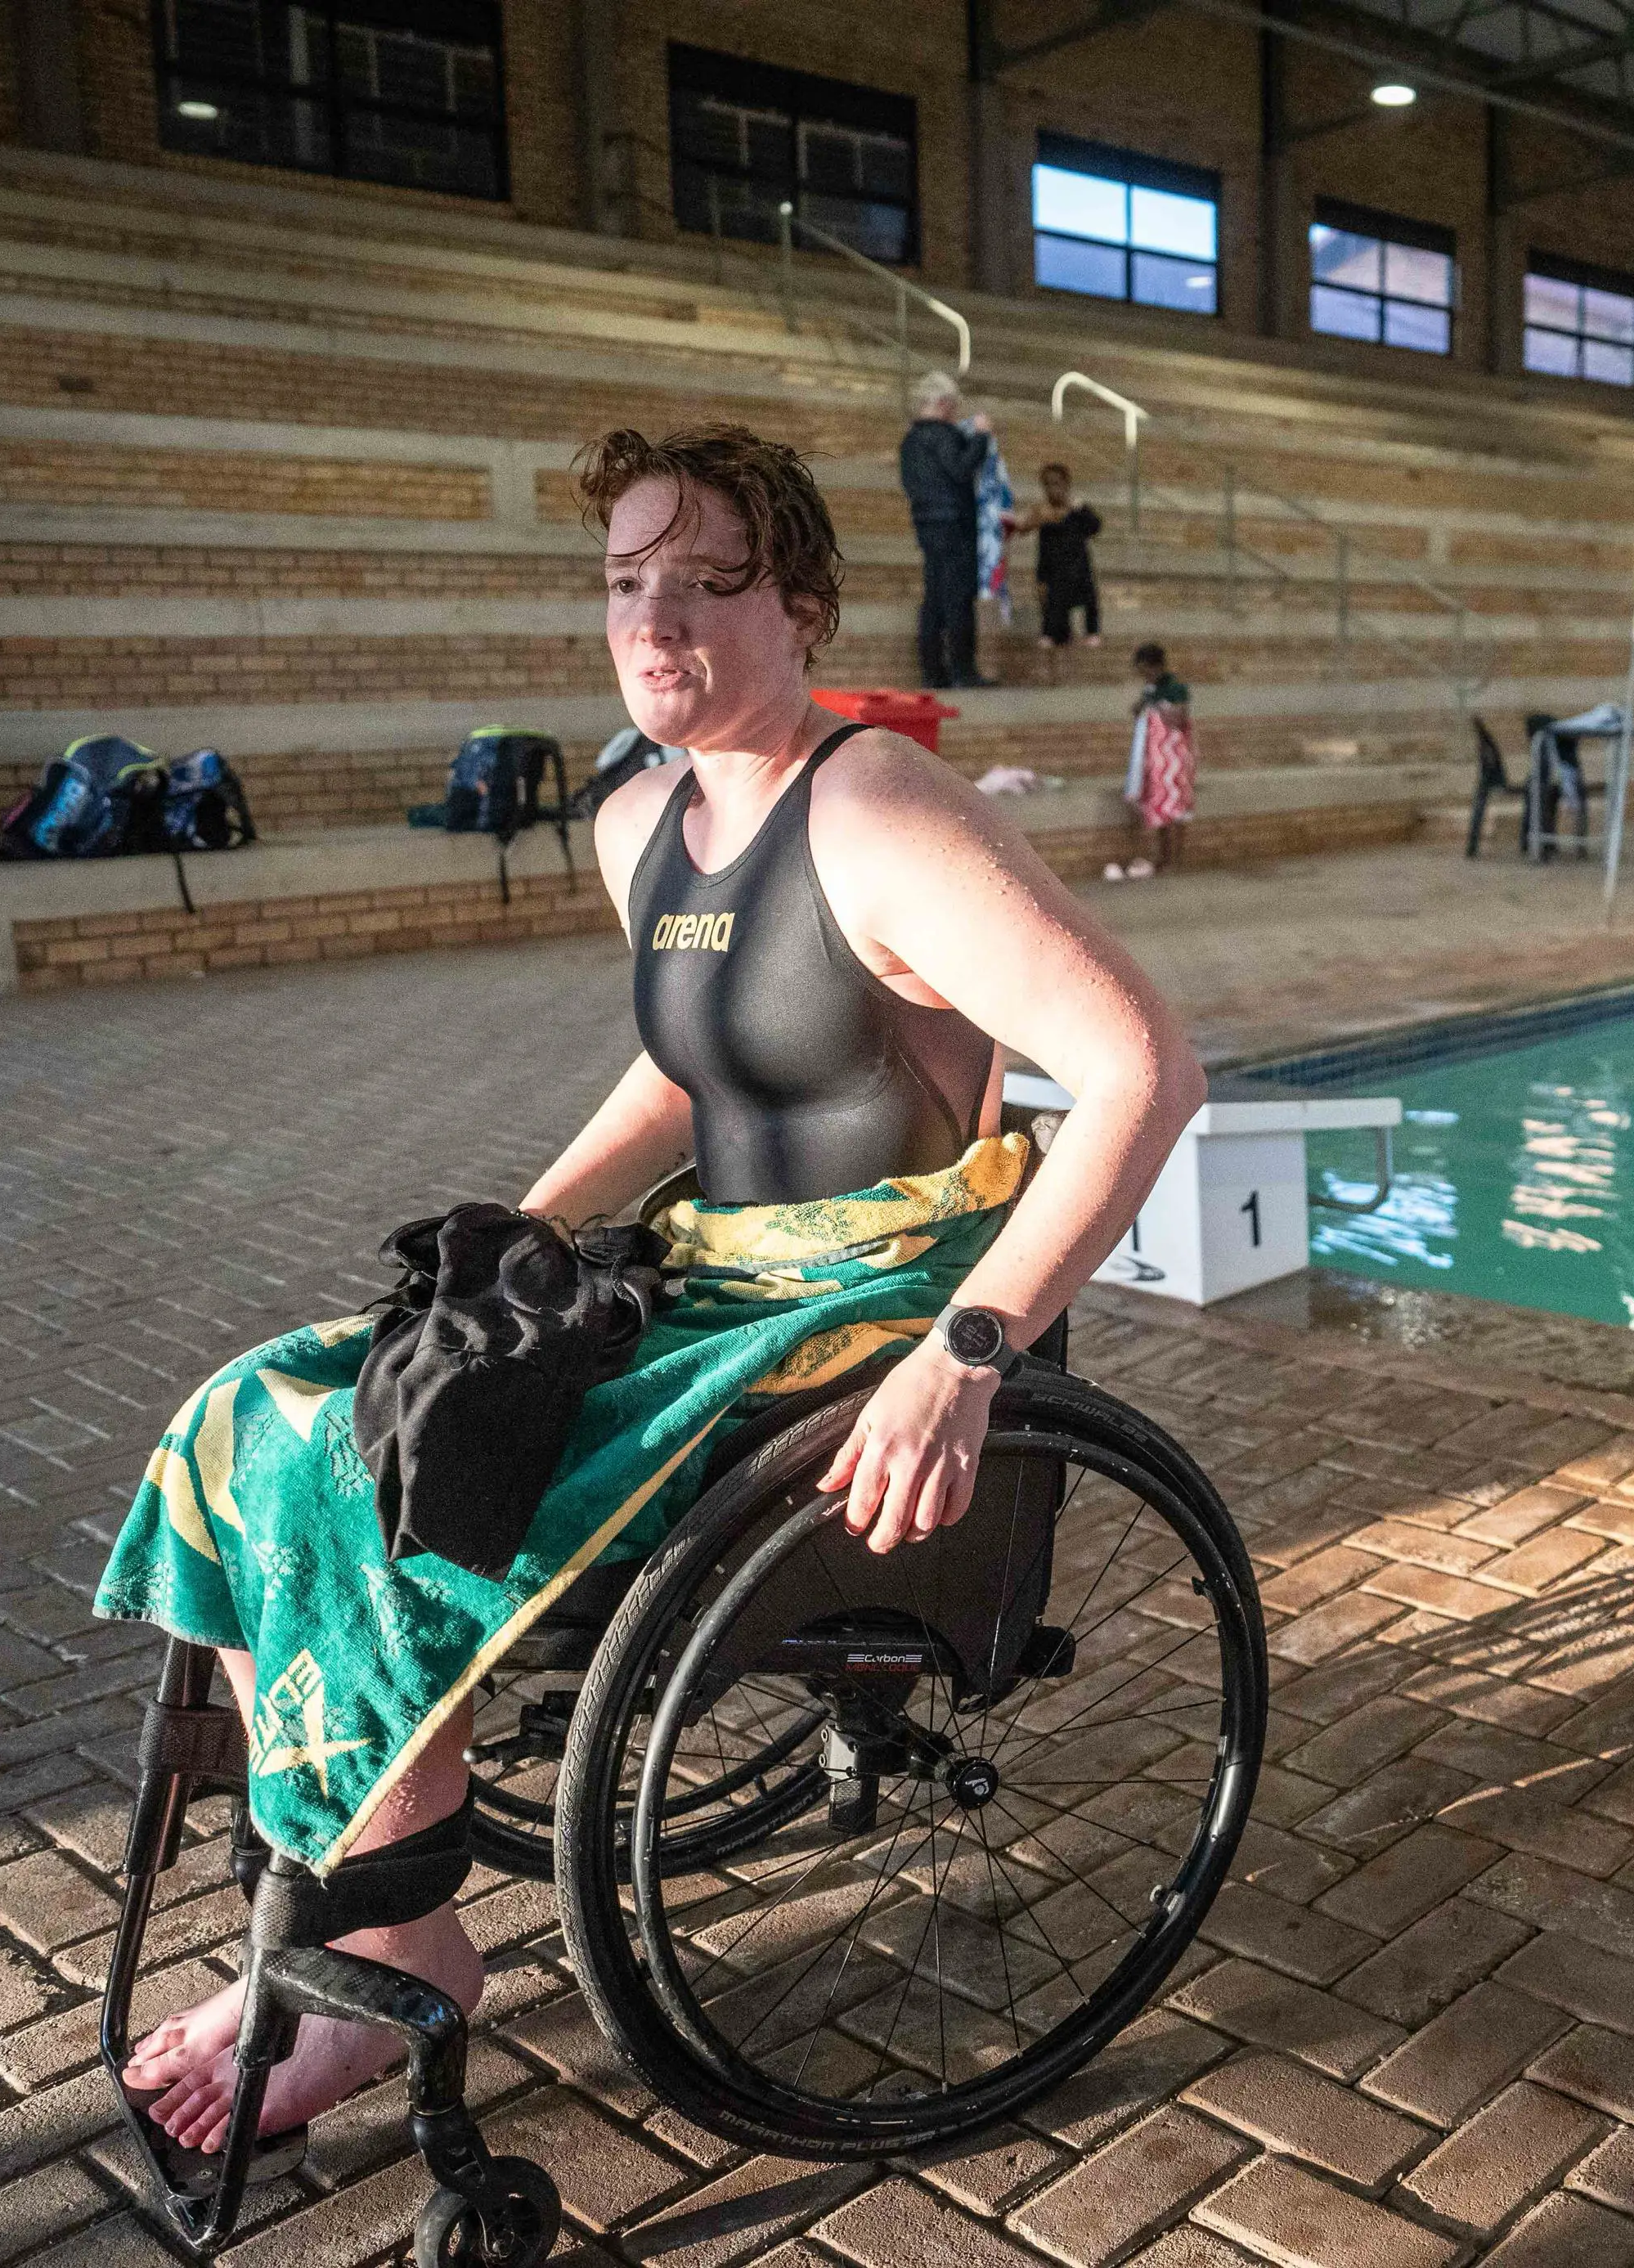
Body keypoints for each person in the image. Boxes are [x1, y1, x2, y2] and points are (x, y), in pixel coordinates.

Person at [100, 419, 1205, 2156]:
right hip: (708, 1269)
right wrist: (517, 1233)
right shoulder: (640, 821)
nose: (656, 617)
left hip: (866, 1301)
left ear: (807, 610)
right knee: (255, 1413)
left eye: (708, 581)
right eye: (629, 580)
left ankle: (376, 1952)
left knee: (385, 1474)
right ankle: (363, 1910)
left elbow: (1143, 1066)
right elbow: (692, 1075)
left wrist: (968, 1352)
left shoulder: (879, 810)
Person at [898, 371, 994, 689]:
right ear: (942, 403)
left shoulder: (910, 441)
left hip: (927, 525)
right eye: (953, 406)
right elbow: (961, 469)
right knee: (958, 598)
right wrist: (981, 437)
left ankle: (933, 672)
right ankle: (964, 670)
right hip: (954, 525)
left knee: (935, 597)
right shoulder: (944, 435)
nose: (956, 414)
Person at [1112, 642, 1195, 881]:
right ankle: (1163, 856)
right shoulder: (1151, 690)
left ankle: (1174, 858)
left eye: (1144, 669)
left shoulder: (1175, 688)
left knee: (1175, 809)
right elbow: (1137, 711)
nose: (1143, 675)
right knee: (1159, 805)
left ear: (1154, 666)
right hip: (1156, 759)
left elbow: (1180, 719)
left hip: (1174, 758)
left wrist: (1158, 707)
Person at [1029, 463, 1103, 684]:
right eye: (1048, 486)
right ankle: (1056, 676)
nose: (1054, 490)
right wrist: (1040, 578)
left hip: (1079, 572)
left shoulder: (1076, 511)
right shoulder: (1046, 517)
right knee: (1056, 623)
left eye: (1058, 485)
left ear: (1067, 486)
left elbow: (1095, 526)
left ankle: (1090, 635)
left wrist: (1080, 508)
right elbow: (1042, 551)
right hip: (1056, 577)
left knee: (1088, 602)